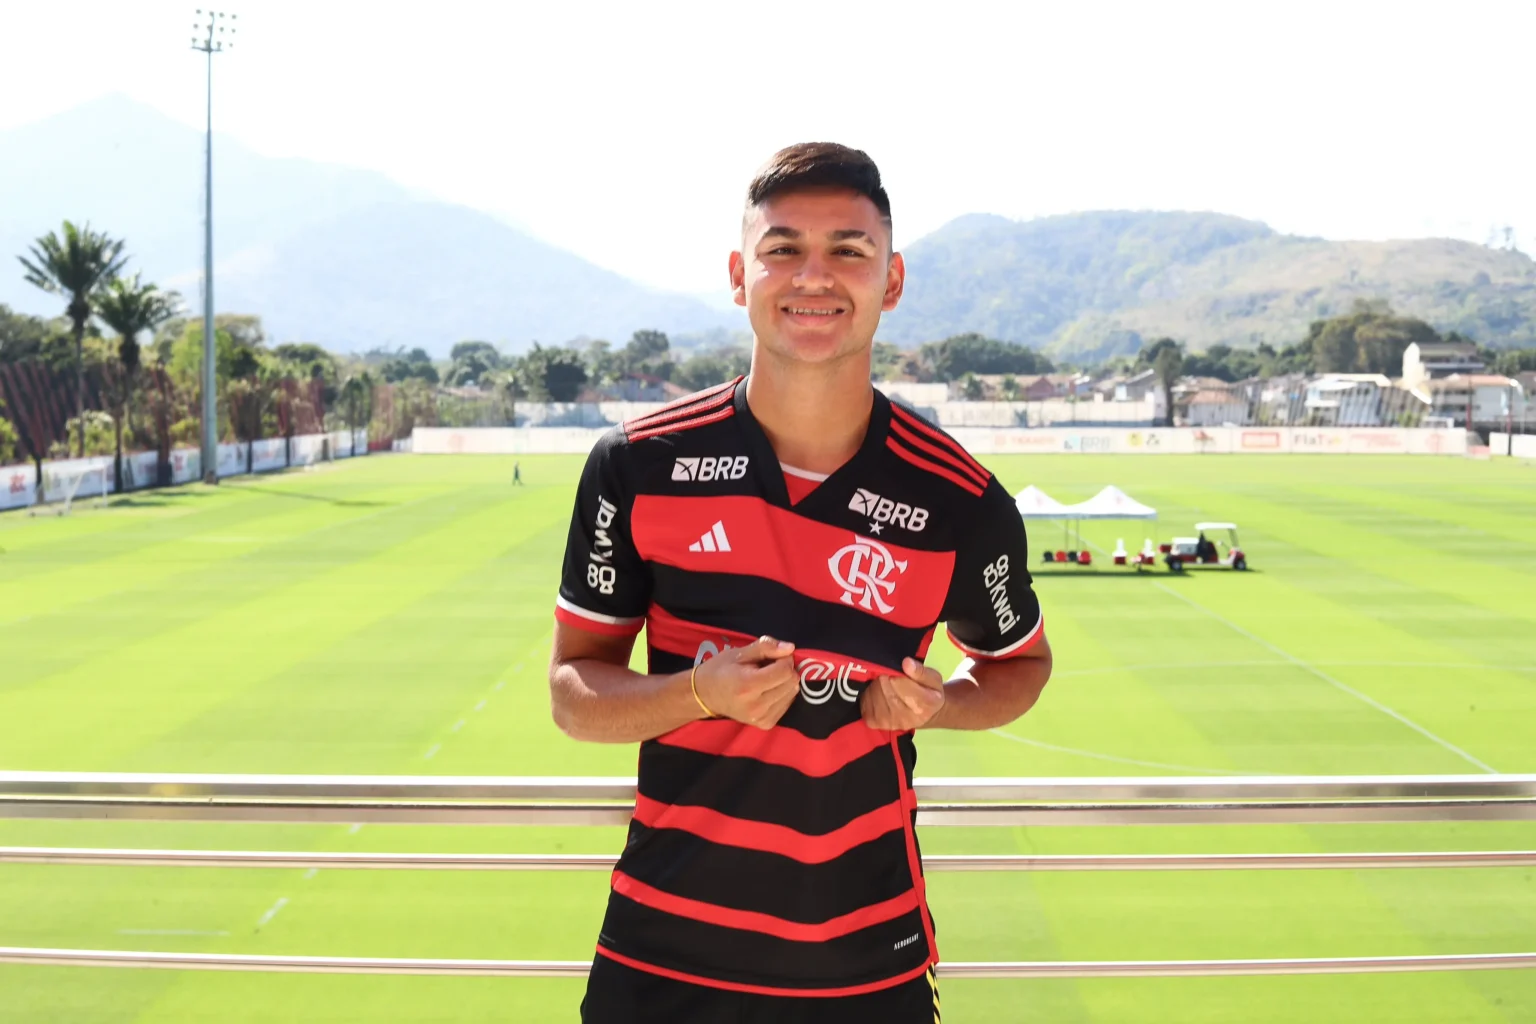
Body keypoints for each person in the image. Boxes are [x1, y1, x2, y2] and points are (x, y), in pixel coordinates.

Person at [550, 142, 1053, 1023]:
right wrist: (697, 693)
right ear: (741, 274)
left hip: (866, 966)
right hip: (661, 959)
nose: (813, 276)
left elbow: (1020, 666)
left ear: (890, 280)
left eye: (848, 251)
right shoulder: (637, 465)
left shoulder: (959, 497)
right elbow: (573, 692)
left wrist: (942, 704)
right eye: (783, 249)